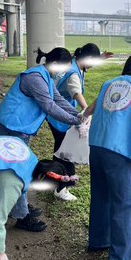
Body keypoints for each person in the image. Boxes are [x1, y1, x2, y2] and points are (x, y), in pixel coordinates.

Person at [0, 47, 84, 231]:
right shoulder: (35, 78)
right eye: (64, 68)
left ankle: (18, 207)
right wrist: (75, 120)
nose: (65, 72)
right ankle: (22, 215)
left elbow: (59, 101)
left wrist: (80, 116)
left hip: (18, 128)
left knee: (16, 171)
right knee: (17, 173)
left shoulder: (46, 78)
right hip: (11, 128)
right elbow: (49, 106)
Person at [87, 53, 131, 260]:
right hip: (118, 149)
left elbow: (90, 109)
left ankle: (98, 241)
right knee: (124, 202)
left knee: (100, 195)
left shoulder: (109, 83)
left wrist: (78, 118)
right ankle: (123, 256)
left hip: (96, 144)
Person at [47, 44, 105, 202]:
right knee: (64, 153)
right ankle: (61, 188)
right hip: (60, 115)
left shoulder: (74, 63)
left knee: (61, 150)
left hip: (60, 113)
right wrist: (88, 110)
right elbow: (76, 93)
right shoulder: (73, 72)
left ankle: (56, 182)